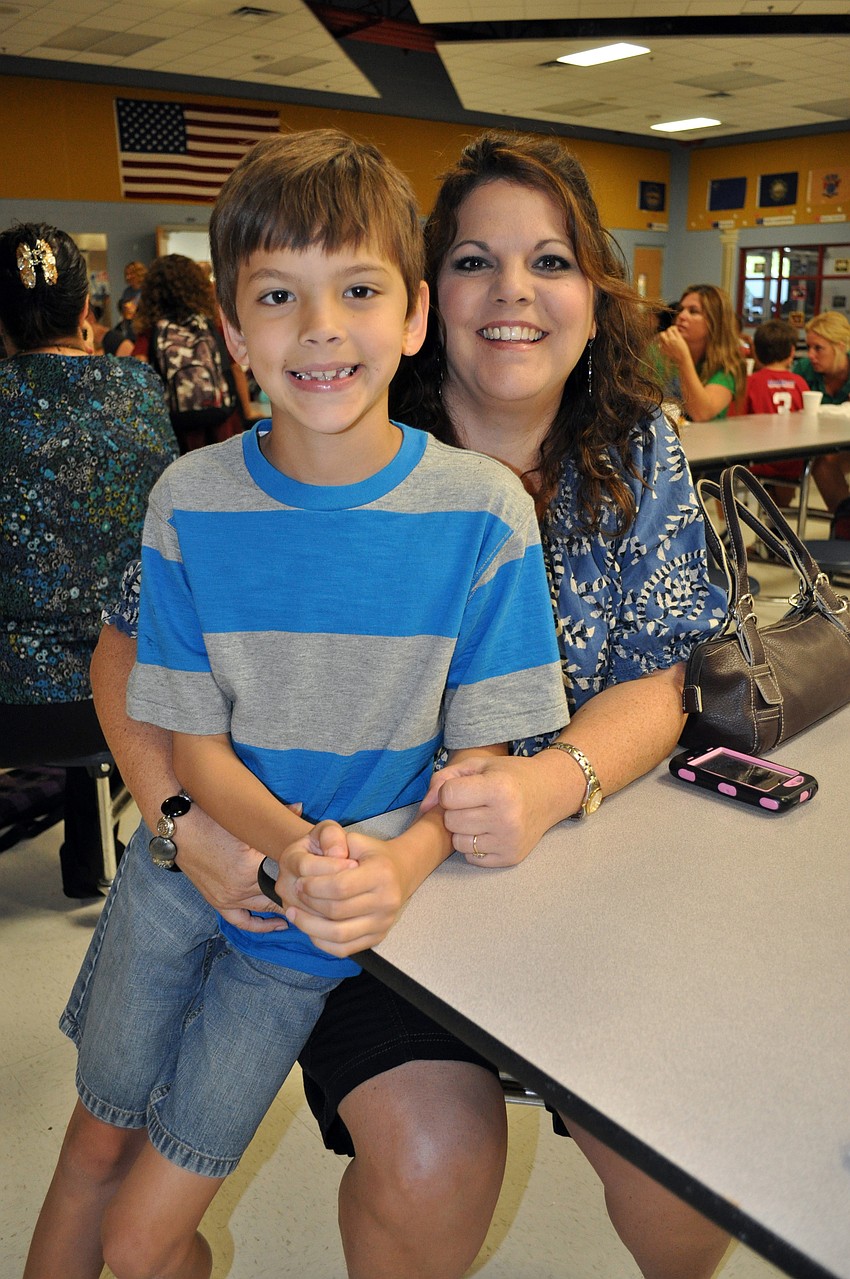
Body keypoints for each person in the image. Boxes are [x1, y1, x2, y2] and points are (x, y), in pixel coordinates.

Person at [80, 131, 728, 1279]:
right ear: (432, 296)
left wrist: (547, 780)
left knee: (684, 1185)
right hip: (363, 890)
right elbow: (131, 648)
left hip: (577, 877)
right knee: (433, 1157)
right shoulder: (331, 412)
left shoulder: (635, 450)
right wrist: (191, 822)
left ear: (594, 291)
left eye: (552, 261)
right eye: (477, 259)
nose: (515, 292)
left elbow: (665, 677)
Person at [23, 130, 569, 1279]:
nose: (321, 326)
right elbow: (192, 743)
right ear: (232, 332)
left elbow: (473, 771)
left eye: (359, 289)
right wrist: (279, 853)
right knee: (87, 1143)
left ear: (414, 316)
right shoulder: (191, 497)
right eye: (278, 294)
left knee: (141, 1231)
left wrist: (382, 866)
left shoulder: (482, 514)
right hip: (182, 884)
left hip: (307, 938)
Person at [0, 222, 177, 896]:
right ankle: (87, 859)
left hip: (11, 701)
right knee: (105, 615)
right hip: (133, 698)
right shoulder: (138, 388)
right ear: (86, 310)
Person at [118, 253, 250, 449]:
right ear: (197, 286)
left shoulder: (152, 331)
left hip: (177, 428)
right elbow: (235, 369)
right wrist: (246, 414)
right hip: (222, 423)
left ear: (152, 292)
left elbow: (138, 373)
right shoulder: (212, 326)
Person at [656, 283, 745, 420]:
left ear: (714, 321)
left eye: (693, 311)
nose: (682, 316)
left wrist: (683, 359)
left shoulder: (728, 364)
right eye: (681, 309)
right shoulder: (660, 352)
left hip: (707, 439)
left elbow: (701, 413)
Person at [792, 310, 850, 514]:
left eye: (818, 348)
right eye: (808, 347)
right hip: (812, 444)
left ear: (840, 347)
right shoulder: (804, 369)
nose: (811, 355)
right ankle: (772, 533)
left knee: (823, 462)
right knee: (782, 465)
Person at [745, 318, 809, 414]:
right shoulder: (800, 383)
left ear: (756, 352)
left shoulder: (749, 383)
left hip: (759, 429)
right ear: (792, 352)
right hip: (792, 429)